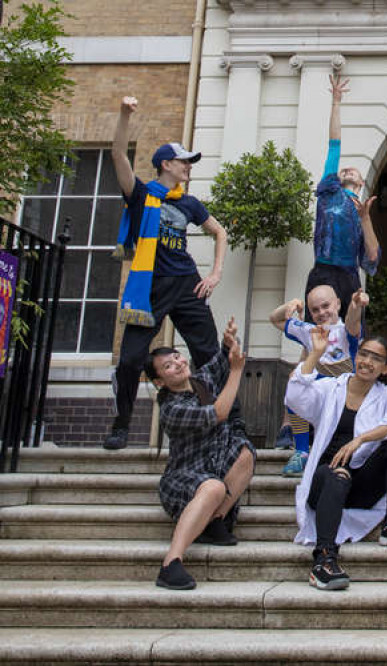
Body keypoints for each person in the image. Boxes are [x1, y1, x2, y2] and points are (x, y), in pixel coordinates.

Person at [104, 96, 228, 450]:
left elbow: (219, 232)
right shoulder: (142, 195)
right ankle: (121, 425)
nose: (189, 167)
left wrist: (214, 274)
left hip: (188, 284)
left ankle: (224, 421)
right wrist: (125, 115)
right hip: (151, 288)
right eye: (184, 162)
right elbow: (117, 157)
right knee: (129, 360)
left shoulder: (189, 203)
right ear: (166, 164)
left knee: (209, 356)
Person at [285, 331, 387, 591]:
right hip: (326, 481)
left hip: (361, 485)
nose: (367, 361)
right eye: (364, 354)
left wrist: (360, 440)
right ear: (356, 357)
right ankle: (324, 559)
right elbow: (295, 398)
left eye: (376, 358)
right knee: (338, 475)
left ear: (385, 367)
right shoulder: (331, 387)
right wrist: (316, 353)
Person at [151, 316, 255, 590]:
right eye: (168, 367)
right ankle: (170, 564)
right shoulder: (172, 409)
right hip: (183, 479)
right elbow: (219, 413)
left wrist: (229, 340)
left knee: (245, 452)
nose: (178, 364)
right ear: (160, 381)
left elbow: (221, 359)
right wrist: (235, 372)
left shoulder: (200, 381)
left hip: (212, 465)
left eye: (177, 357)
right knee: (212, 488)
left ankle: (214, 521)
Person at [268, 286, 367, 476]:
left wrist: (355, 306)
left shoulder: (346, 330)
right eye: (315, 309)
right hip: (319, 394)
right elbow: (275, 318)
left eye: (326, 306)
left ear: (338, 303)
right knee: (295, 386)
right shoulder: (309, 330)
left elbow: (352, 321)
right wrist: (290, 305)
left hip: (345, 396)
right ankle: (302, 451)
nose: (322, 312)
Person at [307, 73, 380, 323]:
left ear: (360, 183)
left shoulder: (362, 210)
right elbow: (334, 145)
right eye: (344, 169)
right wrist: (336, 103)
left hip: (349, 275)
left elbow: (371, 258)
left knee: (348, 334)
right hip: (323, 270)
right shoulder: (329, 193)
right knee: (315, 331)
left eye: (353, 171)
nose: (347, 168)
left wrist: (366, 220)